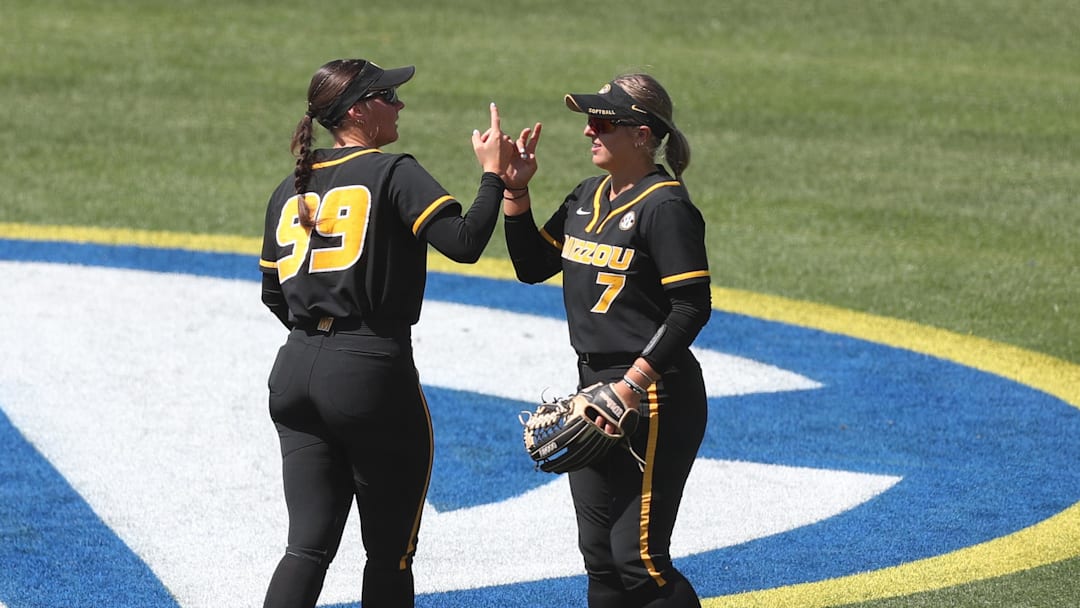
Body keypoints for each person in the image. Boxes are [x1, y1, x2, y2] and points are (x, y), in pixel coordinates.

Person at [257, 58, 516, 608]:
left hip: (294, 371)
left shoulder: (288, 188)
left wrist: (321, 341)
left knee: (305, 549)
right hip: (370, 372)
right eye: (389, 97)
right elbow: (465, 241)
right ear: (357, 111)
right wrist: (494, 176)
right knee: (389, 554)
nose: (400, 105)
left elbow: (273, 294)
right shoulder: (392, 171)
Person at [502, 74, 711, 608]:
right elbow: (531, 266)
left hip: (653, 393)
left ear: (642, 134)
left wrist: (632, 386)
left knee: (637, 559)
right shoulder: (586, 196)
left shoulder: (666, 207)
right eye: (589, 121)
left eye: (603, 123)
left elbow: (692, 306)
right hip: (590, 389)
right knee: (598, 556)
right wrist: (516, 190)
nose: (589, 131)